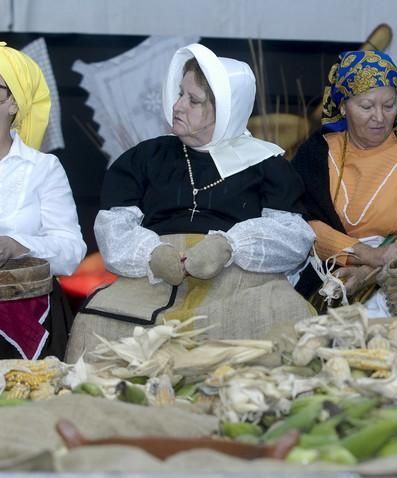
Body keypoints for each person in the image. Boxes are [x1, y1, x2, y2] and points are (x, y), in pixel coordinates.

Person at [65, 43, 315, 361]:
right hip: (152, 280)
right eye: (180, 94)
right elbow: (113, 225)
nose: (178, 106)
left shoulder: (267, 163)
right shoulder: (147, 156)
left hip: (238, 281)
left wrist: (229, 246)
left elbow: (295, 237)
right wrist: (152, 253)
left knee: (285, 313)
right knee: (94, 321)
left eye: (193, 100)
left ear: (225, 109)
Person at [292, 50, 397, 316]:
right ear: (344, 106)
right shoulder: (317, 153)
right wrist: (368, 255)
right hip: (324, 267)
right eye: (366, 107)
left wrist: (369, 273)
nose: (379, 117)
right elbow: (302, 226)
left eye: (389, 105)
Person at [0, 42, 86, 359]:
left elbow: (72, 252)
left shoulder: (42, 169)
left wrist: (17, 245)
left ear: (15, 104)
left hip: (26, 311)